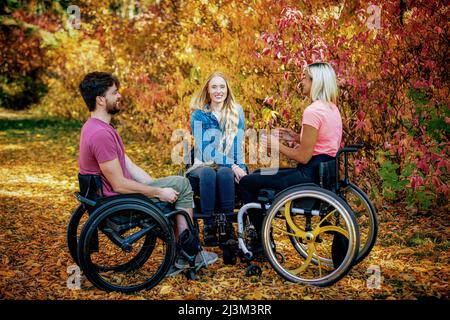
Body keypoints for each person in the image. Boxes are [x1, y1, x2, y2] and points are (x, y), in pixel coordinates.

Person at [77, 71, 217, 276]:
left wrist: (155, 184)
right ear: (100, 99)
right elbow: (119, 185)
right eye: (114, 92)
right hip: (118, 202)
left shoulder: (100, 127)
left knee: (178, 183)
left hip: (113, 197)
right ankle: (185, 253)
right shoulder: (100, 134)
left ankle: (181, 248)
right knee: (184, 185)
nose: (119, 96)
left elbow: (129, 165)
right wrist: (158, 193)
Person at [239, 62, 342, 249]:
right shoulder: (331, 108)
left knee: (247, 182)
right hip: (323, 172)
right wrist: (295, 136)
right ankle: (262, 235)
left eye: (304, 77)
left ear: (315, 81)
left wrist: (277, 146)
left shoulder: (312, 111)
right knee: (259, 172)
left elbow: (303, 157)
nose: (300, 80)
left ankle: (262, 242)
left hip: (308, 175)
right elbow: (322, 143)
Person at [188, 72, 247, 249]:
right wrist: (234, 165)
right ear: (207, 90)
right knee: (207, 172)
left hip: (230, 164)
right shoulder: (199, 115)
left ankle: (228, 225)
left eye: (222, 86)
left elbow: (238, 143)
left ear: (227, 90)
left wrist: (238, 166)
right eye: (214, 87)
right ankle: (209, 225)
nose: (218, 91)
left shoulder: (237, 112)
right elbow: (206, 150)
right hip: (203, 163)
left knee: (225, 172)